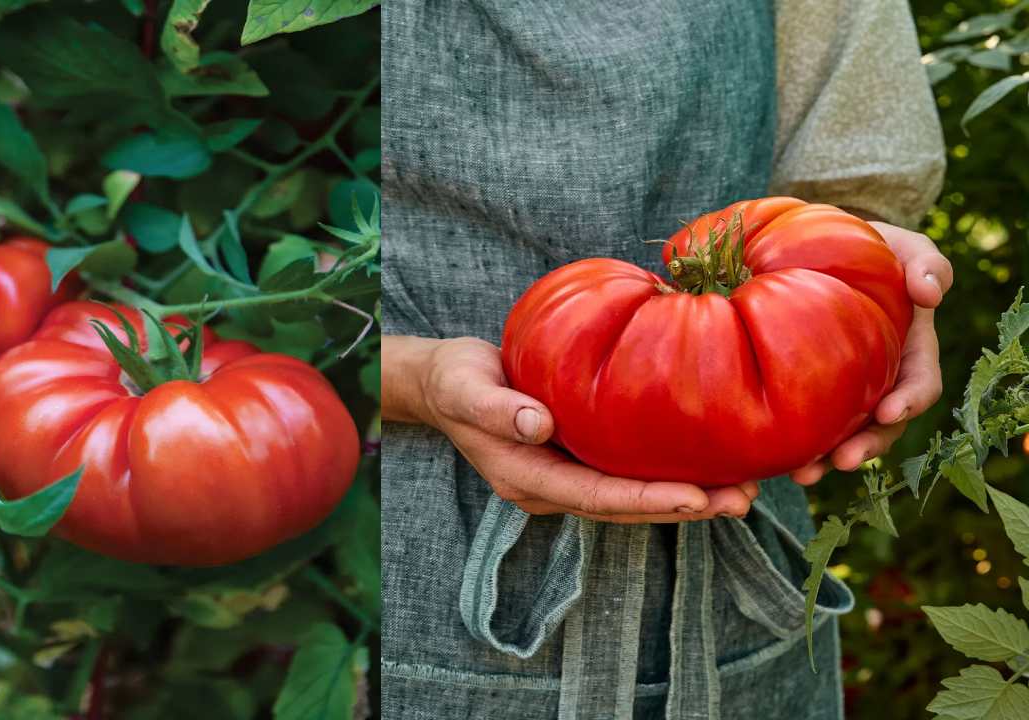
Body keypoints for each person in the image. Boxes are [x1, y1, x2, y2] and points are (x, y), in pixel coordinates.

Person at [379, 1, 952, 718]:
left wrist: (879, 295)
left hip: (735, 586)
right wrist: (407, 378)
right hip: (407, 558)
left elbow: (852, 188)